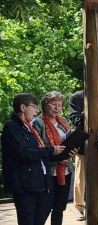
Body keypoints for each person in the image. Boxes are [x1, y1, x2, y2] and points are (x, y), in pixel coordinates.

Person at [1, 93, 65, 225]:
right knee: (27, 220)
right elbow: (24, 153)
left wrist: (59, 155)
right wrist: (51, 149)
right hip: (25, 183)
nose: (36, 110)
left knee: (39, 220)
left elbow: (38, 152)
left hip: (39, 182)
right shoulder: (12, 127)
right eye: (34, 107)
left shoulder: (30, 127)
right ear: (23, 107)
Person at [34, 91, 78, 225]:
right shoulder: (39, 123)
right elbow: (38, 147)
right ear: (45, 105)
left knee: (60, 206)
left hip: (65, 170)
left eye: (59, 105)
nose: (57, 108)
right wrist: (58, 158)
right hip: (48, 171)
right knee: (45, 207)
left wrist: (73, 150)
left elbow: (69, 140)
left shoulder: (63, 121)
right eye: (53, 104)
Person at [68, 90, 86, 221]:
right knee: (81, 178)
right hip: (84, 144)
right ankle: (79, 208)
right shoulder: (77, 97)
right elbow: (75, 120)